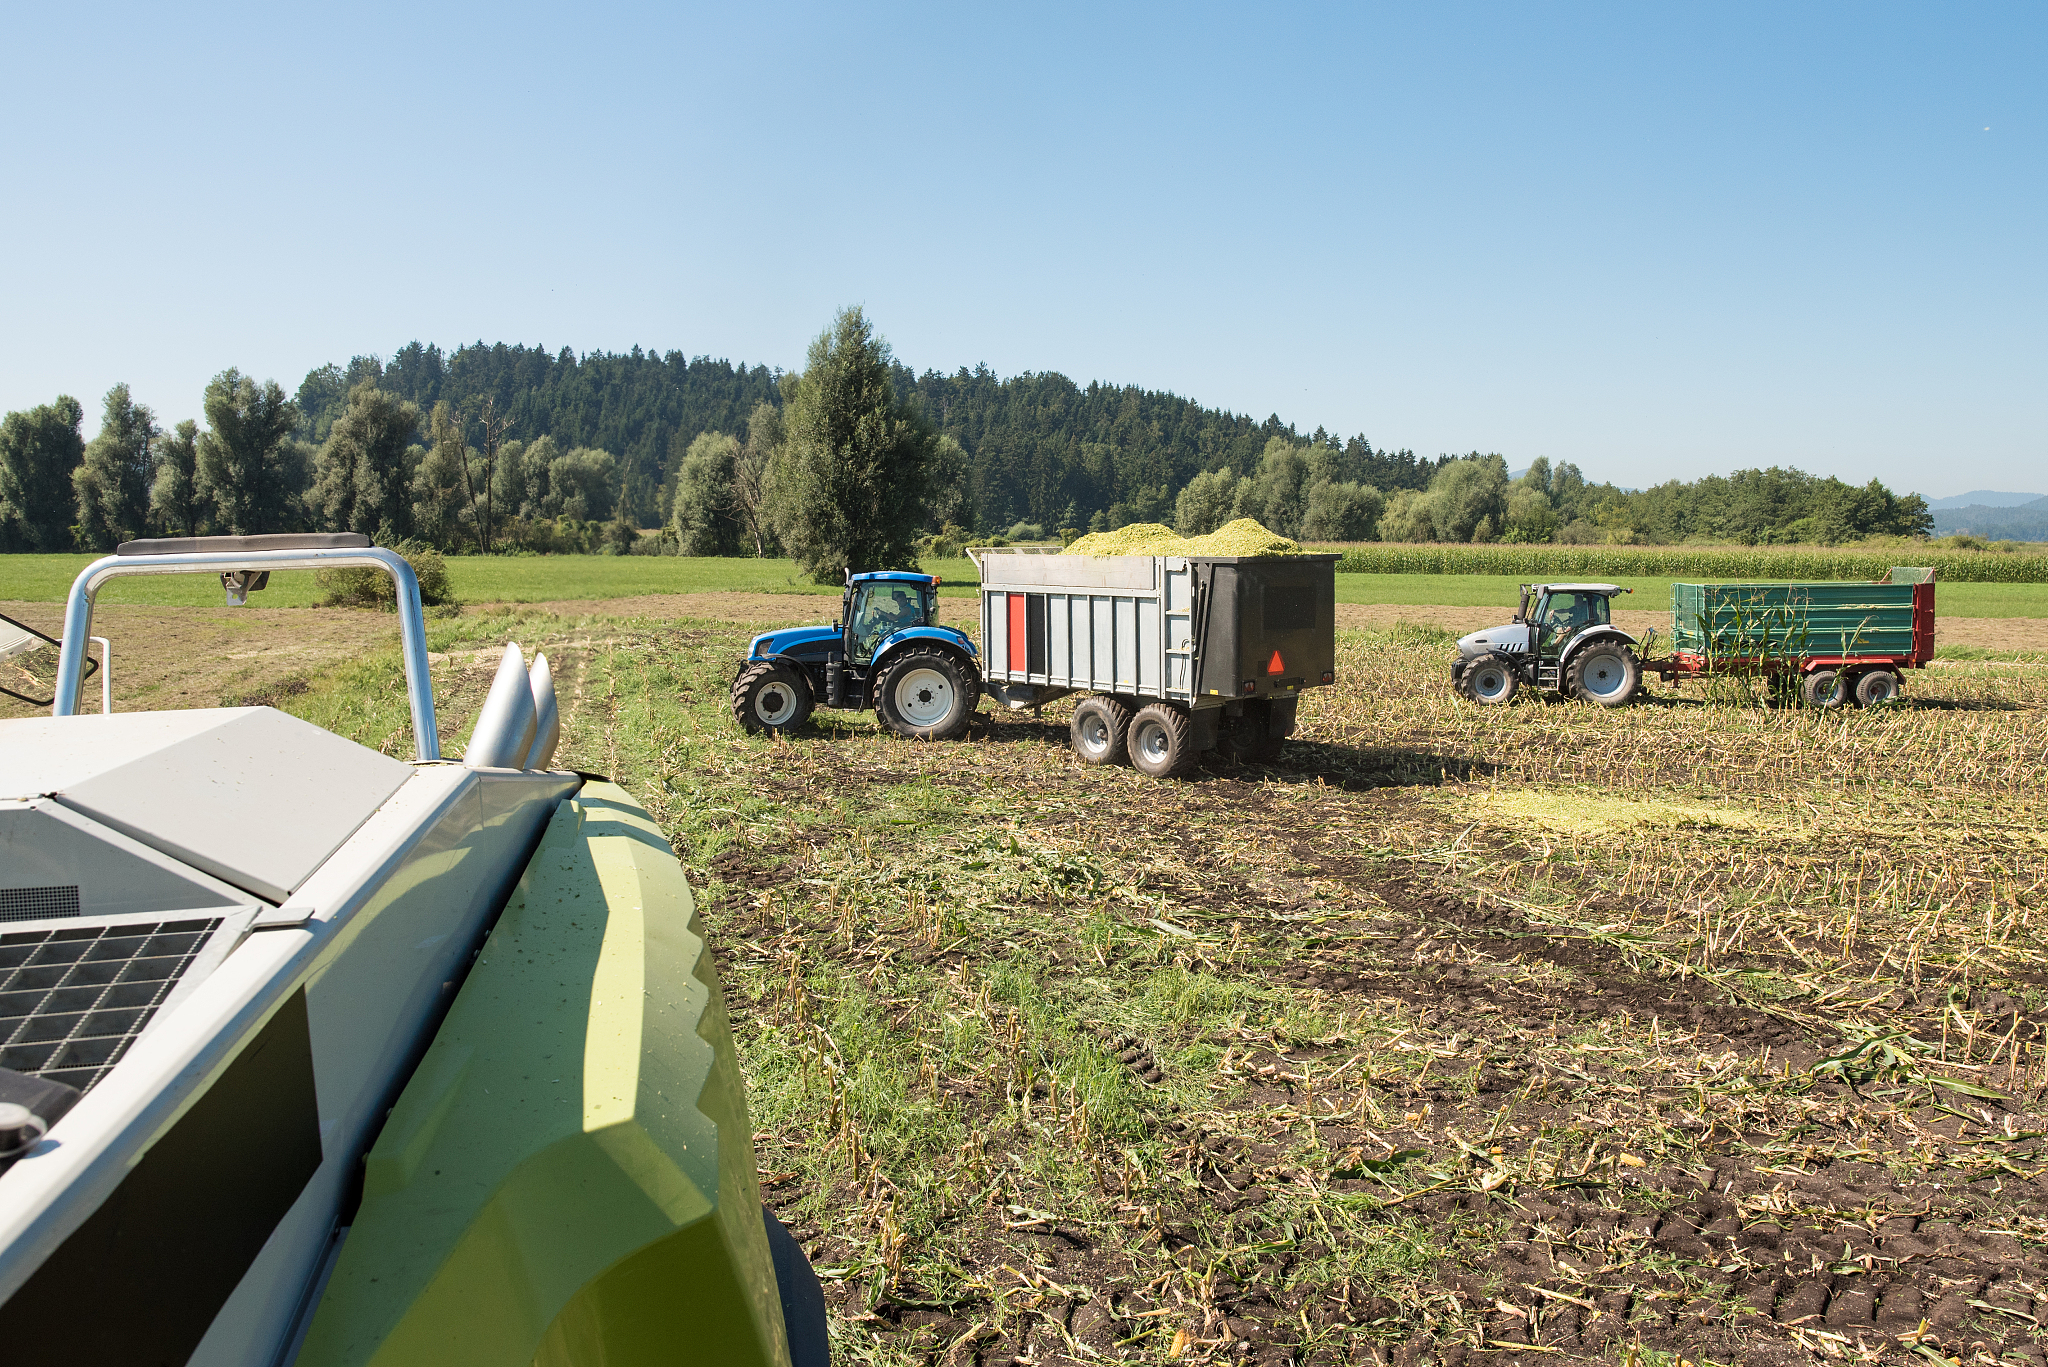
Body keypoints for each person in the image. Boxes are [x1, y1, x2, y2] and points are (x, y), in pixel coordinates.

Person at [853, 586, 923, 661]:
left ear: (904, 599)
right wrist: (889, 615)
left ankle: (877, 654)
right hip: (903, 626)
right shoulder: (906, 608)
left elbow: (895, 618)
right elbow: (897, 617)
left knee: (883, 634)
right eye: (897, 601)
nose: (898, 603)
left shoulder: (907, 609)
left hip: (904, 627)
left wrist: (882, 613)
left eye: (899, 601)